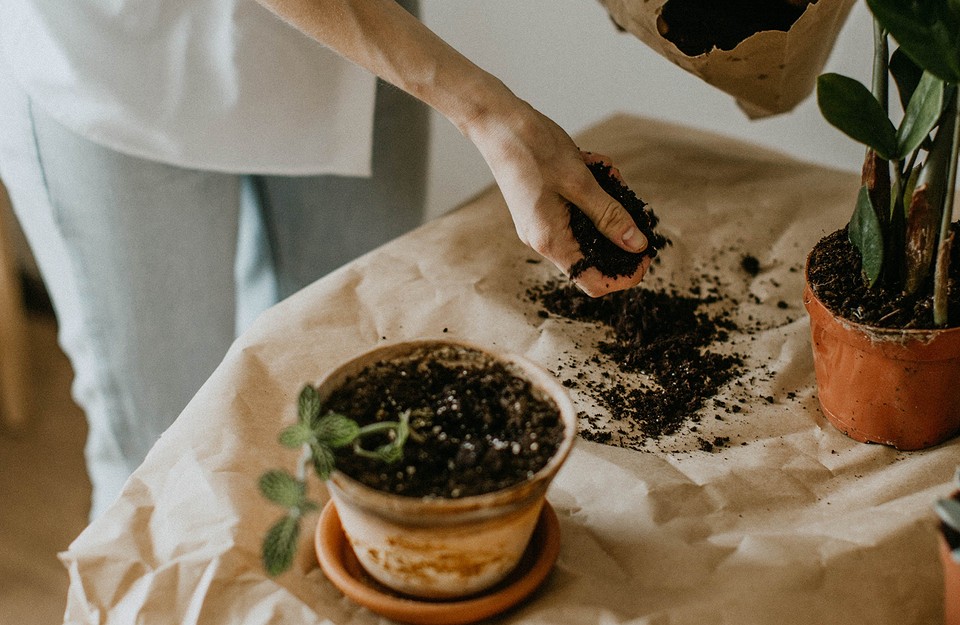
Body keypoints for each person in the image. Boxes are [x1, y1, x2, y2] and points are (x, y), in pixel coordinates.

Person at [0, 0, 649, 520]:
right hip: (117, 55)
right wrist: (487, 113)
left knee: (351, 394)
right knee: (163, 450)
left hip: (363, 44)